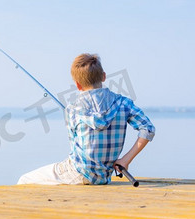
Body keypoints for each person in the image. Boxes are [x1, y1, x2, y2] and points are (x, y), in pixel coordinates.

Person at [17, 53, 155, 185]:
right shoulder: (124, 103)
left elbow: (74, 149)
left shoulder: (72, 110)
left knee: (24, 179)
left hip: (76, 173)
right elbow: (148, 129)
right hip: (104, 177)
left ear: (77, 84)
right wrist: (125, 160)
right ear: (103, 76)